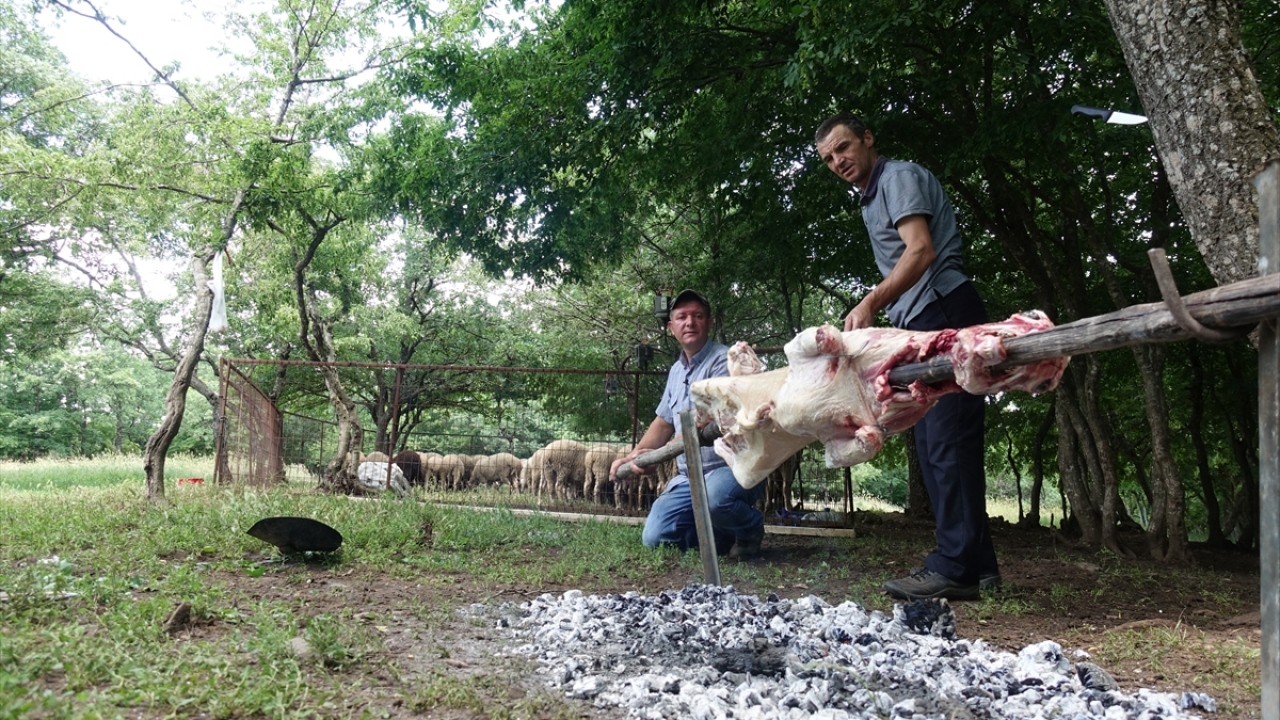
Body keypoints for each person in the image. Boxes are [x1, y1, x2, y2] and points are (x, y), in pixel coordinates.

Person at [814, 113, 1001, 601]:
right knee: (939, 443)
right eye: (829, 158)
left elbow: (920, 251)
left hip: (943, 308)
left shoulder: (897, 178)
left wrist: (871, 302)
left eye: (844, 148)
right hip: (920, 319)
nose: (839, 162)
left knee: (946, 442)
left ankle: (953, 567)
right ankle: (979, 566)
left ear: (868, 139)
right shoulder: (871, 197)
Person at [610, 289, 767, 559]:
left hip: (730, 466)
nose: (689, 323)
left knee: (717, 499)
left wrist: (658, 455)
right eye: (681, 317)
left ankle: (750, 530)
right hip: (688, 476)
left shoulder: (723, 361)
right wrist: (636, 455)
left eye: (697, 316)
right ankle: (720, 535)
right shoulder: (676, 371)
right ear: (671, 327)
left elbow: (703, 426)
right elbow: (663, 422)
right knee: (655, 538)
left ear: (709, 322)